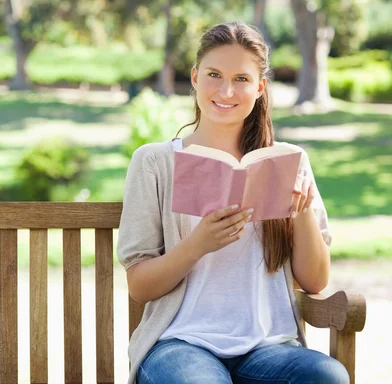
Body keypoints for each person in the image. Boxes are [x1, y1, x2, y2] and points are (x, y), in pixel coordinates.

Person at [117, 21, 349, 384]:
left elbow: (315, 280)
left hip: (269, 346)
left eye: (241, 78)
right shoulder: (155, 162)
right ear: (194, 77)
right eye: (214, 74)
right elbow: (139, 286)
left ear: (260, 87)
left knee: (327, 376)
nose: (226, 90)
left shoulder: (288, 161)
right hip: (181, 345)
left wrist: (300, 211)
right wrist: (197, 245)